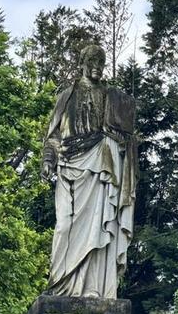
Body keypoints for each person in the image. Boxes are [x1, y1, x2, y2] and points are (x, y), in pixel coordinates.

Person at [40, 44, 137, 298]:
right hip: (69, 165)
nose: (97, 66)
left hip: (100, 165)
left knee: (98, 229)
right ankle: (61, 287)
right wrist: (48, 161)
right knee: (63, 227)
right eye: (92, 60)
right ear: (82, 62)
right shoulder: (67, 95)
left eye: (101, 62)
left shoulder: (110, 96)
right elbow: (52, 137)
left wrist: (123, 142)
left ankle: (94, 289)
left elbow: (123, 135)